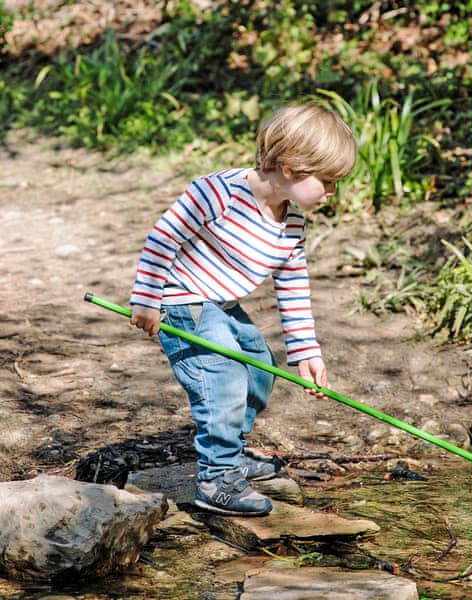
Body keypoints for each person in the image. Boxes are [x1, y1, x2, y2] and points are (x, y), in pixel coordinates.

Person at [128, 101, 357, 516]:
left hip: (222, 303)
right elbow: (163, 238)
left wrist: (306, 351)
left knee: (259, 369)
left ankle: (230, 451)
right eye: (327, 181)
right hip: (183, 301)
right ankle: (217, 478)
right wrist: (146, 298)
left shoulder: (291, 223)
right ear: (290, 168)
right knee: (223, 378)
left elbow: (292, 285)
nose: (332, 192)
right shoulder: (218, 192)